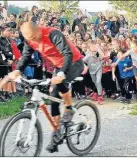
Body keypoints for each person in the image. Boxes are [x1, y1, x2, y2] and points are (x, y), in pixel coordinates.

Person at [8, 22, 84, 153]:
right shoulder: (30, 39)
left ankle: (69, 108)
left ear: (38, 30)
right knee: (53, 97)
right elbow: (26, 56)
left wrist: (61, 73)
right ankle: (58, 131)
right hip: (59, 65)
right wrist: (18, 70)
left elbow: (67, 53)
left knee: (60, 84)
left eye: (33, 37)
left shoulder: (52, 33)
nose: (32, 41)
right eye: (29, 38)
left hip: (74, 62)